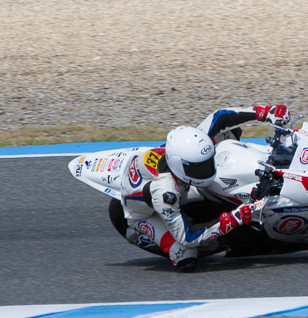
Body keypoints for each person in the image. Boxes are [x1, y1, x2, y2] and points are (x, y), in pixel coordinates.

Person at [113, 104, 290, 271]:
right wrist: (233, 219)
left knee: (229, 134)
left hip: (173, 182)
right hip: (143, 215)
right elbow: (187, 238)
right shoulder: (166, 194)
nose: (207, 169)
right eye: (200, 167)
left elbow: (220, 117)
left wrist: (265, 111)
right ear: (180, 166)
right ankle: (138, 234)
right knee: (186, 256)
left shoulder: (188, 150)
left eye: (207, 163)